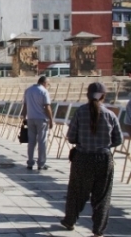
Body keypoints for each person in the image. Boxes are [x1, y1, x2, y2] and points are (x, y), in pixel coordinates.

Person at [60, 82, 122, 237]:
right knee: (102, 196)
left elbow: (71, 137)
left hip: (82, 158)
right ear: (103, 95)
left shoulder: (80, 112)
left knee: (76, 192)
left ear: (87, 95)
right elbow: (118, 139)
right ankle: (98, 230)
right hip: (103, 159)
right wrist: (104, 145)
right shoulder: (110, 114)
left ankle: (69, 220)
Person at [21, 76, 53, 170]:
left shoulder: (28, 90)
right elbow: (47, 107)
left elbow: (25, 105)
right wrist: (51, 119)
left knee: (31, 142)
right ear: (44, 83)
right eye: (48, 84)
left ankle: (30, 162)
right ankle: (41, 163)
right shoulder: (44, 91)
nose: (48, 86)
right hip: (41, 119)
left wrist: (24, 117)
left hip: (30, 118)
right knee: (42, 141)